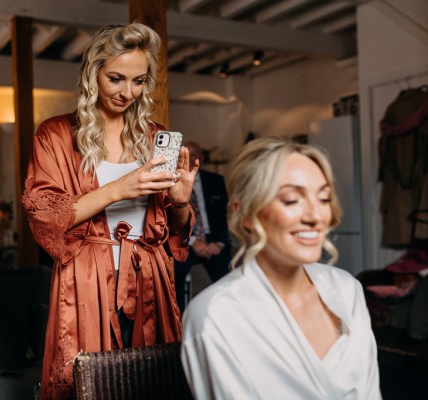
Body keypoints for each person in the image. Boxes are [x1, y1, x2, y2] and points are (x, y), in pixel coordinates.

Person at [22, 23, 198, 400]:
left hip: (149, 274)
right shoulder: (55, 135)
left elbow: (175, 234)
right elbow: (47, 215)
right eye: (116, 78)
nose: (127, 92)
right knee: (91, 382)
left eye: (138, 81)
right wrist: (122, 187)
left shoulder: (154, 136)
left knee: (154, 378)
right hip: (86, 276)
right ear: (92, 74)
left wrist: (181, 202)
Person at [181, 137, 381, 399]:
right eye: (291, 200)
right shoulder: (214, 315)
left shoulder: (347, 289)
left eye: (323, 199)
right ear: (247, 214)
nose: (315, 216)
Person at [173, 141, 230, 312]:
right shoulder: (170, 182)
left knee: (227, 279)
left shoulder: (216, 181)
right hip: (183, 240)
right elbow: (169, 220)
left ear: (202, 159)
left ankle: (226, 318)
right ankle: (179, 326)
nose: (190, 159)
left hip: (212, 240)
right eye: (186, 154)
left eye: (195, 154)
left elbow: (224, 215)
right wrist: (192, 241)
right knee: (173, 280)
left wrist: (219, 242)